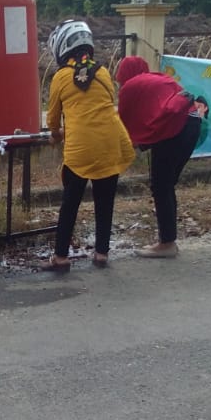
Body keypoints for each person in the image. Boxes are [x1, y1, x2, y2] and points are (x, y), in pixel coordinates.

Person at [41, 20, 136, 271]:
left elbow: (53, 118)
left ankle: (61, 257)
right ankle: (101, 254)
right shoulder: (102, 72)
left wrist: (55, 135)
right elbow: (105, 103)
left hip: (81, 148)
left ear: (62, 47)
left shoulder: (61, 77)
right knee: (105, 201)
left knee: (70, 203)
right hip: (111, 142)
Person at [114, 55, 209, 257]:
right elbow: (157, 114)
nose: (120, 84)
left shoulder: (131, 87)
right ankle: (169, 240)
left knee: (161, 186)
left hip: (176, 128)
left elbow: (125, 124)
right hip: (192, 124)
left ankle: (167, 244)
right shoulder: (157, 78)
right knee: (166, 185)